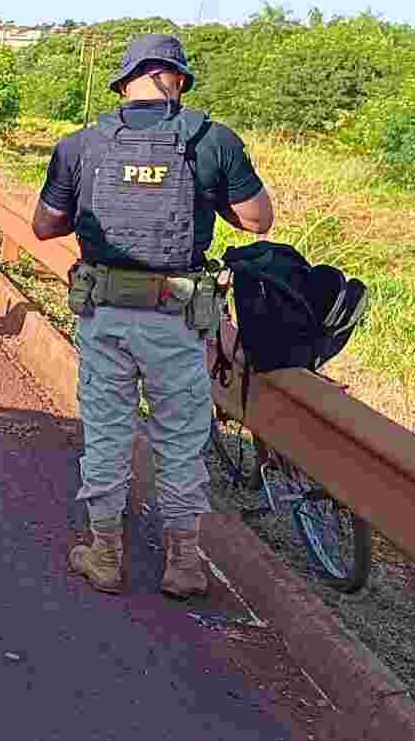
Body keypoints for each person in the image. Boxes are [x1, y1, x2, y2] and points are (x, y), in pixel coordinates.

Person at [31, 33, 275, 600]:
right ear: (179, 81)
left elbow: (44, 226)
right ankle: (184, 564)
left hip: (105, 316)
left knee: (107, 435)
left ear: (123, 84)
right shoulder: (212, 141)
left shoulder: (80, 145)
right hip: (177, 318)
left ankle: (105, 554)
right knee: (181, 440)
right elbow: (257, 219)